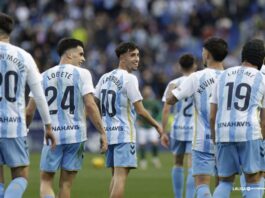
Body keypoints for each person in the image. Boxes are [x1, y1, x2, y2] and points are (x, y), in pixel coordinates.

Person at [26, 38, 108, 198]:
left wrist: (24, 131)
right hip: (76, 136)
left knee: (46, 181)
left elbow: (29, 111)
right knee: (66, 184)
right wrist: (103, 132)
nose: (83, 58)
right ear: (69, 55)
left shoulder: (42, 76)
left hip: (52, 137)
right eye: (81, 54)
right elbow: (90, 105)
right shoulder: (83, 74)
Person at [94, 42, 169, 198]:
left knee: (115, 176)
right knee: (121, 178)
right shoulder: (129, 79)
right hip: (124, 135)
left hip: (109, 134)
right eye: (133, 55)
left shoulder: (104, 77)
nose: (137, 59)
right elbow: (140, 111)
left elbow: (93, 102)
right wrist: (157, 125)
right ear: (122, 57)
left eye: (138, 55)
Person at [0, 12, 55, 198]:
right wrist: (48, 125)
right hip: (13, 126)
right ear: (11, 31)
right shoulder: (24, 56)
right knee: (21, 176)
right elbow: (39, 95)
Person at [166, 37, 228, 198]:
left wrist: (171, 87)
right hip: (226, 139)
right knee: (223, 184)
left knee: (201, 183)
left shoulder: (197, 77)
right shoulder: (232, 76)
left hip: (203, 140)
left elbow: (170, 100)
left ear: (207, 54)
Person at [210, 39, 265, 198]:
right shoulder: (261, 78)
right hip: (249, 133)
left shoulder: (223, 75)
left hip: (223, 132)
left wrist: (215, 137)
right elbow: (264, 119)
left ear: (243, 56)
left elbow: (213, 113)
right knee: (253, 180)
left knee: (225, 181)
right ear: (261, 59)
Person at [162, 53, 196, 198]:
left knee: (177, 163)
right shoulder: (198, 81)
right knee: (192, 165)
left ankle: (177, 196)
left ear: (180, 67)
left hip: (177, 129)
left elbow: (166, 109)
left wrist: (163, 131)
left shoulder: (173, 83)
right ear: (194, 66)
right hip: (194, 129)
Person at [137, 85, 162, 170]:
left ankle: (155, 158)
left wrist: (156, 121)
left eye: (148, 90)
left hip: (152, 126)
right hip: (142, 126)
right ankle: (143, 161)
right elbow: (136, 111)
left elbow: (159, 112)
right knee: (142, 144)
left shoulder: (154, 102)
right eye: (145, 90)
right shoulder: (140, 102)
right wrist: (137, 119)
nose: (147, 92)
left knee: (154, 142)